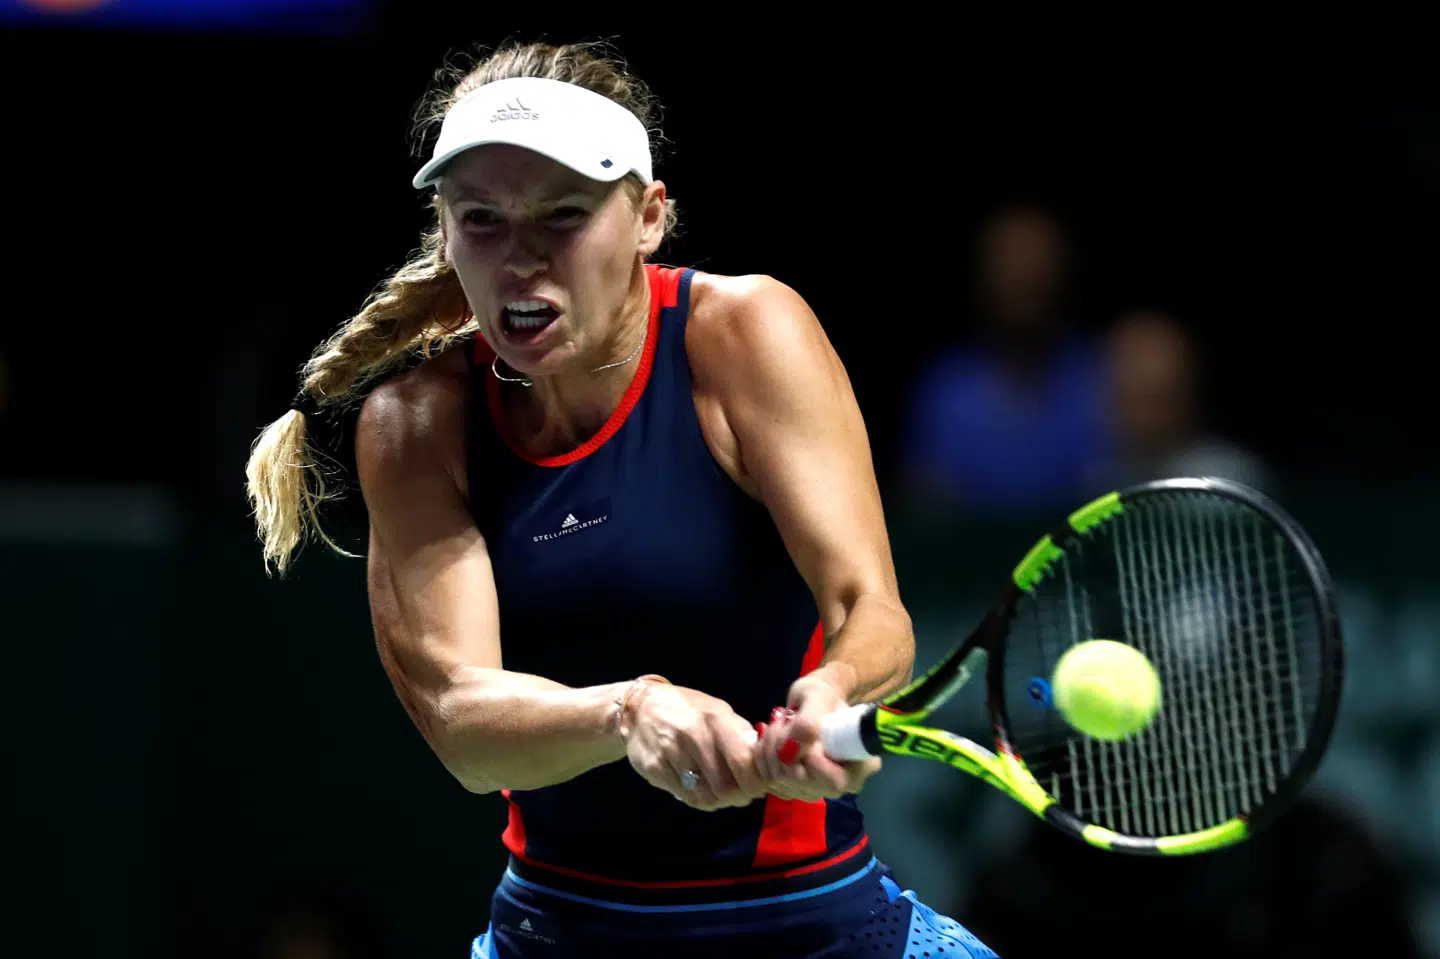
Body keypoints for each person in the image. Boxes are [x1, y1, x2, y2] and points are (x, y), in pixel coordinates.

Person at [244, 41, 998, 959]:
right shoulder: (415, 420)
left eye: (562, 217)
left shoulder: (743, 334)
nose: (522, 262)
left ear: (648, 217)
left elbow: (868, 609)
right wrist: (628, 710)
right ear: (443, 227)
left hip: (822, 926)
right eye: (482, 220)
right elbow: (462, 724)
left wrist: (833, 691)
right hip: (556, 936)